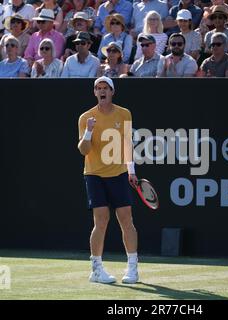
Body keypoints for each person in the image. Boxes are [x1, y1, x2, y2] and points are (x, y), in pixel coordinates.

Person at [78, 76, 139, 284]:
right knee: (101, 220)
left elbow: (127, 143)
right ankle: (96, 269)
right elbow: (83, 150)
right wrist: (89, 131)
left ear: (112, 92)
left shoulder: (125, 114)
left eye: (105, 88)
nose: (102, 91)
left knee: (126, 220)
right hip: (94, 174)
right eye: (98, 88)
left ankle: (132, 268)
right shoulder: (86, 118)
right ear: (95, 92)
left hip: (119, 173)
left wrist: (131, 170)